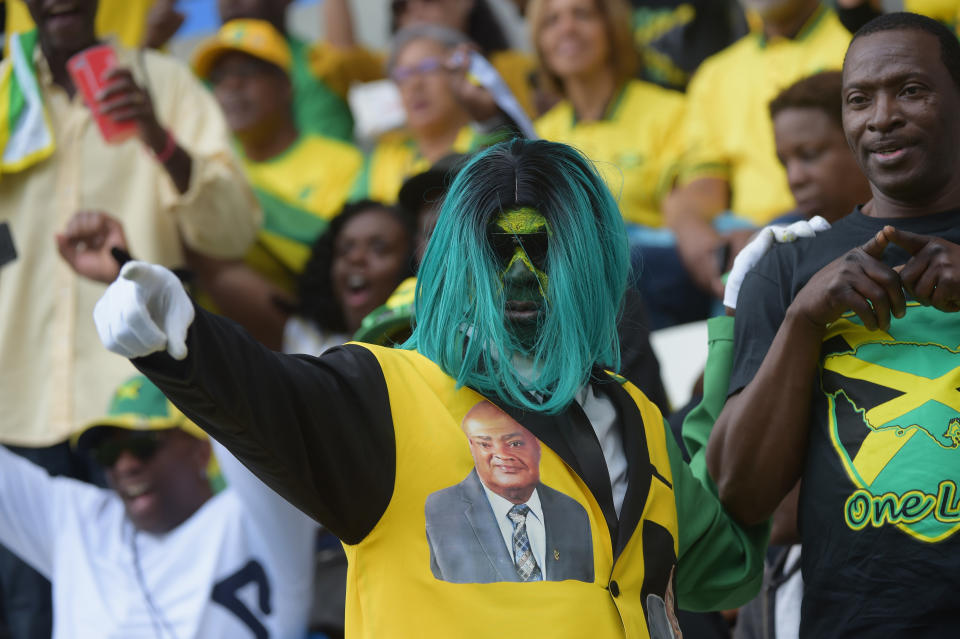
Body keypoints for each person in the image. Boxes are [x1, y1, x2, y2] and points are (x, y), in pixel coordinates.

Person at [94, 138, 765, 638]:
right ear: (460, 264)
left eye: (546, 250)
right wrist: (179, 338)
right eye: (498, 252)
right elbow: (268, 396)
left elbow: (723, 562)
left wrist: (746, 327)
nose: (521, 277)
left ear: (591, 263)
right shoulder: (387, 393)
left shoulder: (635, 414)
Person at [0, 1, 259, 635]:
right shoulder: (6, 89)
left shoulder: (162, 82)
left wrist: (157, 135)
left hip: (134, 414)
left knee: (151, 613)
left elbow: (233, 232)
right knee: (26, 619)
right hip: (16, 405)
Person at [706, 13, 960, 637]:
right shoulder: (786, 266)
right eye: (858, 99)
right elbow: (741, 493)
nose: (881, 117)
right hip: (856, 619)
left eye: (910, 90)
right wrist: (802, 320)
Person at [0, 375, 318, 639]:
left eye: (143, 445)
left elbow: (258, 427)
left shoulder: (253, 517)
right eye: (109, 453)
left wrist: (191, 356)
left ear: (201, 452)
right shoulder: (79, 522)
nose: (125, 466)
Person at [189, 19, 365, 349]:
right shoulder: (212, 168)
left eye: (247, 72)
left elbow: (343, 266)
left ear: (287, 85)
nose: (231, 87)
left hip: (321, 343)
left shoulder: (344, 162)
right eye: (219, 78)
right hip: (221, 349)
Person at [665, 0, 850, 299]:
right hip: (735, 233)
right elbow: (705, 182)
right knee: (633, 264)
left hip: (819, 223)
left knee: (754, 267)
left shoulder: (856, 46)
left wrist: (759, 240)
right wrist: (695, 234)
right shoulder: (715, 73)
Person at [529, 0, 696, 328]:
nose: (567, 29)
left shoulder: (671, 111)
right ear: (539, 42)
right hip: (575, 283)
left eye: (582, 14)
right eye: (551, 21)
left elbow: (686, 212)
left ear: (612, 28)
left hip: (652, 274)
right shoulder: (539, 136)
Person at [426, 400, 594, 584]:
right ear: (470, 445)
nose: (502, 455)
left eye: (514, 443)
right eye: (485, 444)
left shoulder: (573, 513)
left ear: (538, 443)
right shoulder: (440, 511)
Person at [351, 24, 511, 204]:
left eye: (428, 68)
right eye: (404, 74)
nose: (414, 84)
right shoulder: (381, 161)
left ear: (462, 72)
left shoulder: (492, 136)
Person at [284, 200, 415, 354]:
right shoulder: (304, 335)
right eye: (345, 249)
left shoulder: (428, 349)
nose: (355, 257)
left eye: (378, 248)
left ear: (413, 262)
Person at [769, 71, 872, 225]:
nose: (794, 179)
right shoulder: (782, 237)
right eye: (784, 163)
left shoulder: (915, 237)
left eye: (809, 155)